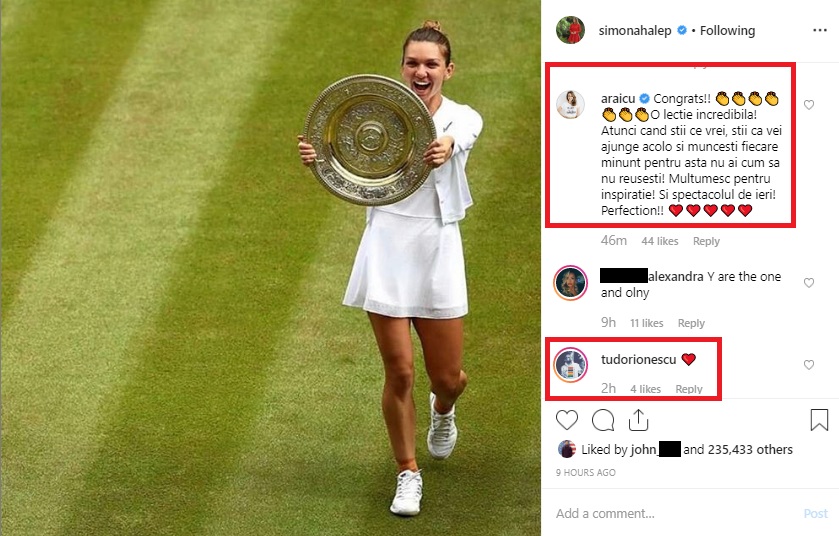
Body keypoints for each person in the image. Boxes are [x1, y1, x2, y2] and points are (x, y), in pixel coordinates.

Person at [297, 21, 482, 517]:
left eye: (431, 64)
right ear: (402, 67)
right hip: (386, 248)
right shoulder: (379, 112)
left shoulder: (463, 117)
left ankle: (444, 408)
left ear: (448, 70)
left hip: (437, 249)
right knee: (399, 370)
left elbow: (462, 135)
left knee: (448, 378)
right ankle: (407, 472)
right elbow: (343, 148)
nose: (421, 71)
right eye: (412, 63)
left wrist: (447, 145)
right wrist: (319, 155)